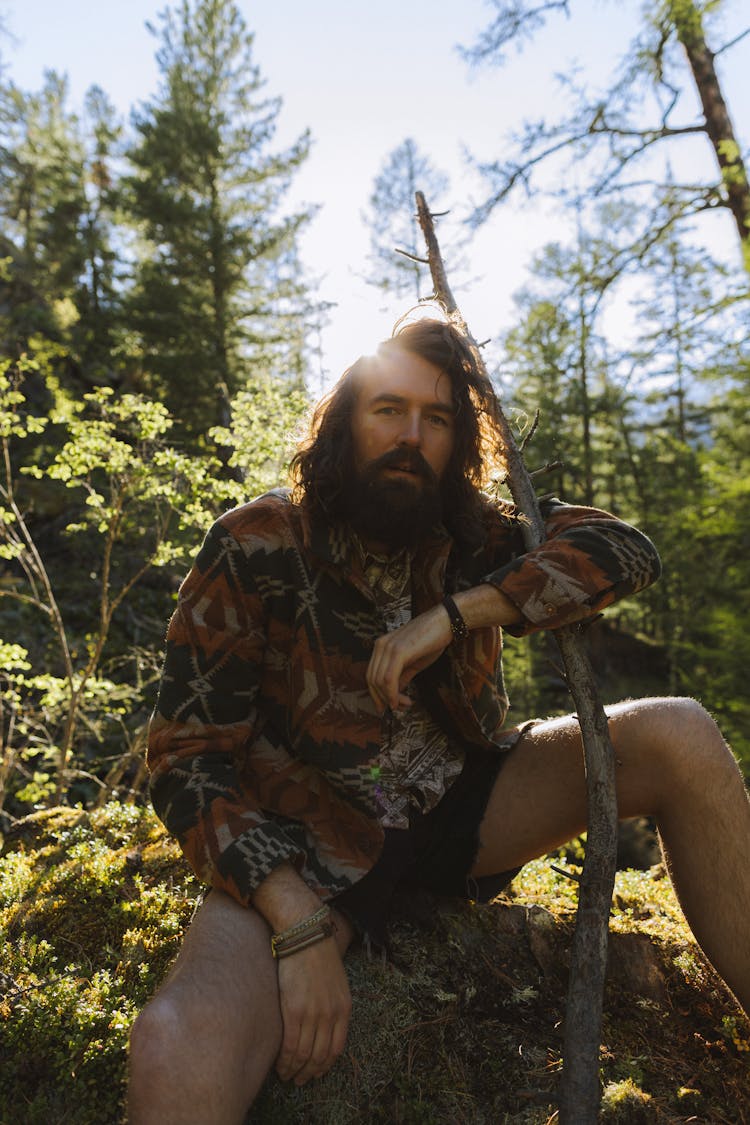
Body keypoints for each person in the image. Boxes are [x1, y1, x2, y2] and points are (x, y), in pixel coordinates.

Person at [128, 317, 750, 1124]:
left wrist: (464, 610)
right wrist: (295, 918)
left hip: (464, 806)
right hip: (308, 837)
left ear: (460, 438)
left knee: (680, 731)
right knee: (176, 1042)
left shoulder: (474, 530)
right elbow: (183, 756)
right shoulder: (258, 542)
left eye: (438, 418)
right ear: (345, 418)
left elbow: (623, 547)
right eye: (388, 409)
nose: (409, 437)